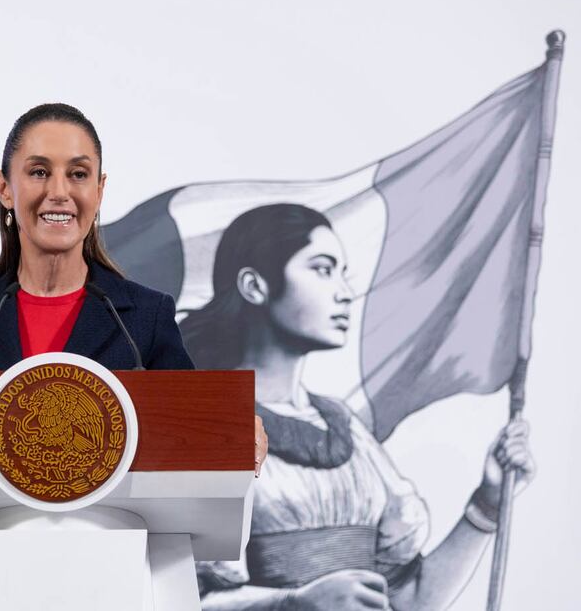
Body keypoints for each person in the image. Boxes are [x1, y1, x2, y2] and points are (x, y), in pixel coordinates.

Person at [0, 103, 268, 477]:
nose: (59, 192)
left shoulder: (146, 316)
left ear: (99, 190)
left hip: (112, 555)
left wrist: (233, 435)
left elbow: (192, 440)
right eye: (38, 172)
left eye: (78, 174)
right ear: (4, 188)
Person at [184, 203, 535, 611]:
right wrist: (293, 603)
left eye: (343, 272)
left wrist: (488, 502)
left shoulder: (344, 427)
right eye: (322, 268)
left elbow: (408, 600)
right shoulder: (205, 427)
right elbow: (178, 599)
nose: (345, 292)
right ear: (254, 285)